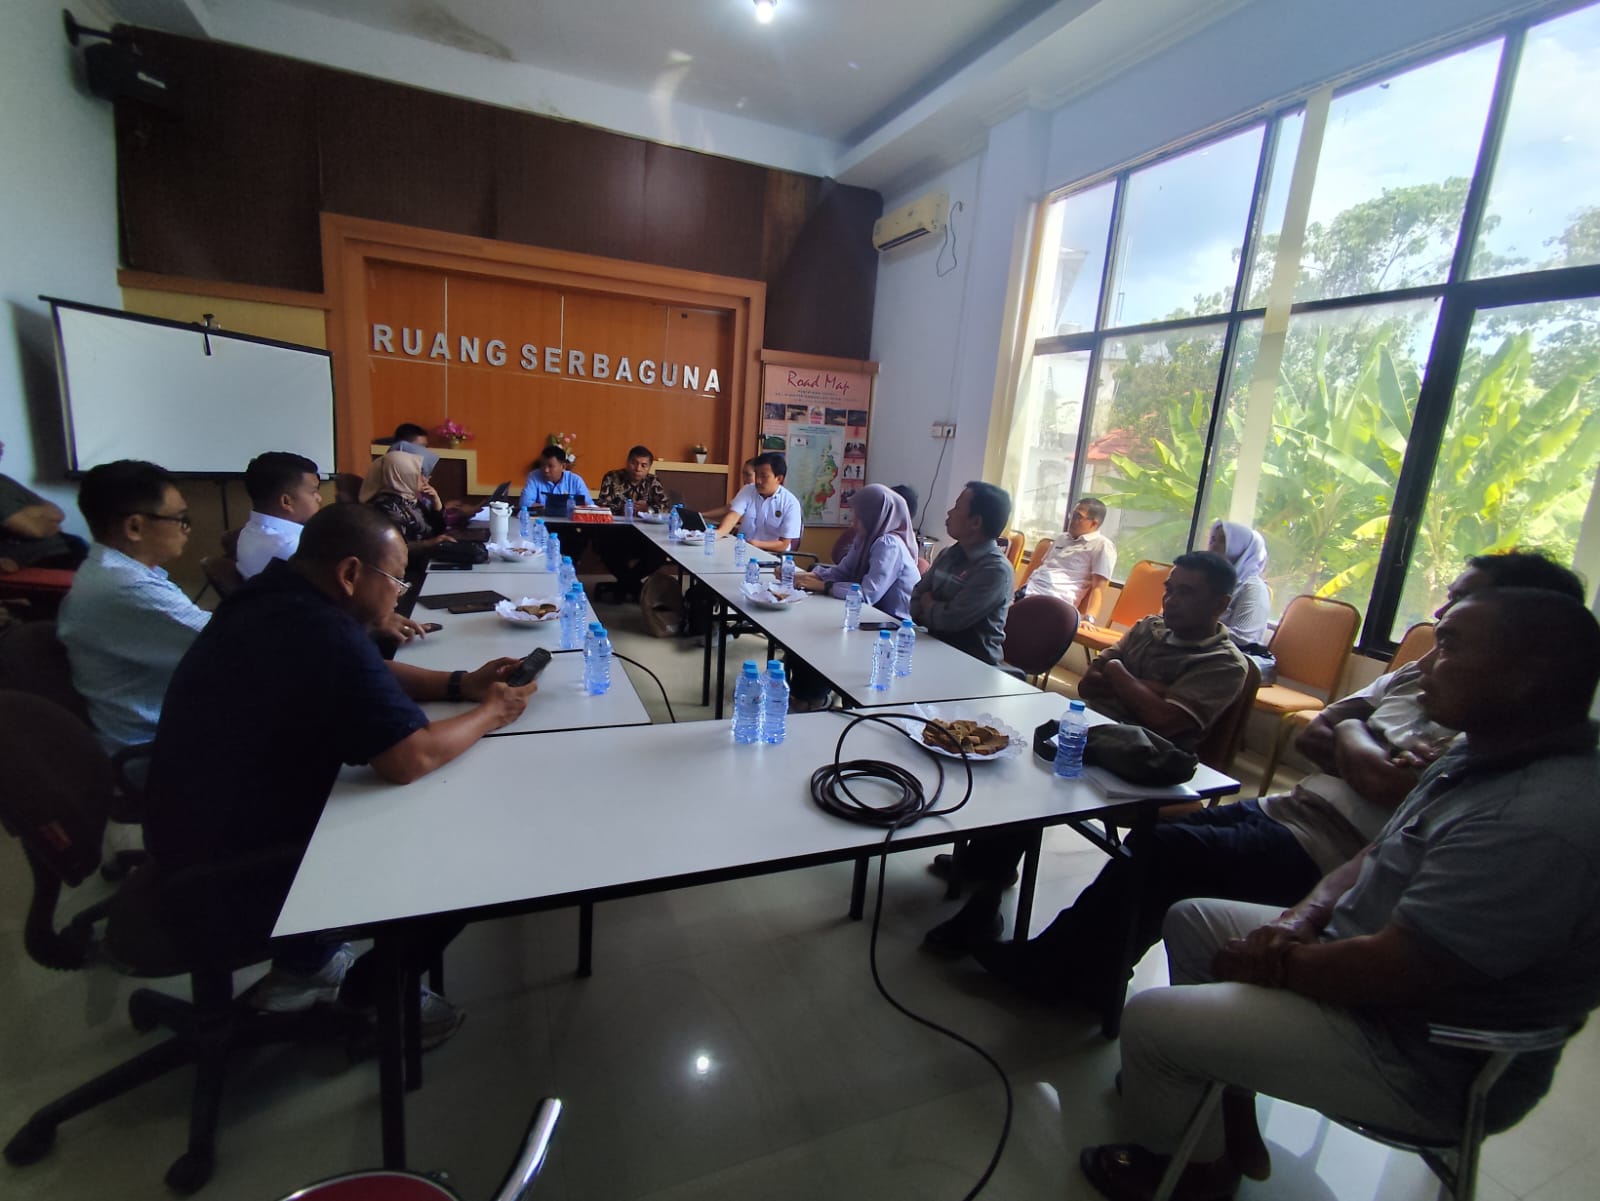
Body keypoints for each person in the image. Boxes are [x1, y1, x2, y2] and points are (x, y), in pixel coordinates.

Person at [1082, 586, 1600, 1201]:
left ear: (1526, 674)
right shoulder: (1478, 754)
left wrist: (1280, 965)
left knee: (1152, 1021)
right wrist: (1298, 921)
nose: (1427, 665)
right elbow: (1371, 857)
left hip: (1417, 1053)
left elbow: (1402, 972)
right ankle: (1222, 1112)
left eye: (1450, 646)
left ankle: (1192, 1178)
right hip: (1363, 962)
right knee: (1194, 919)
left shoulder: (1534, 820)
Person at [970, 550, 1584, 1009]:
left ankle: (1065, 977)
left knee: (1167, 850)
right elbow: (1317, 735)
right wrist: (1360, 739)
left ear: (1517, 627)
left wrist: (1353, 740)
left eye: (1460, 611)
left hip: (1329, 843)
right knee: (1131, 829)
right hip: (1292, 806)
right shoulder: (1417, 676)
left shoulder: (1493, 732)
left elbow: (1380, 786)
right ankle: (1078, 965)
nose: (1441, 617)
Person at [143, 504, 538, 1041]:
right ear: (351, 573)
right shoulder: (320, 630)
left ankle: (306, 965)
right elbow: (410, 759)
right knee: (467, 854)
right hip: (228, 875)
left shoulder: (277, 597)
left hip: (194, 831)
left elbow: (367, 669)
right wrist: (493, 712)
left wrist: (457, 684)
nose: (399, 594)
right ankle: (369, 998)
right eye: (396, 580)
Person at [924, 551, 1248, 956]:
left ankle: (984, 908)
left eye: (1188, 593)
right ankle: (989, 864)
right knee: (1011, 758)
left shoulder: (1225, 662)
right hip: (1091, 738)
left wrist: (1118, 673)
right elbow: (1088, 685)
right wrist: (1144, 687)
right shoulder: (1149, 627)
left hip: (1143, 763)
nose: (1171, 600)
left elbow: (1163, 721)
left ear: (1220, 604)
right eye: (1170, 589)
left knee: (1036, 783)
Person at [57, 460, 210, 756]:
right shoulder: (126, 586)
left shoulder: (115, 571)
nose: (187, 529)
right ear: (135, 526)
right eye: (180, 519)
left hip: (174, 726)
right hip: (154, 751)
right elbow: (230, 641)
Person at [907, 482, 1016, 666]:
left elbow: (950, 621)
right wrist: (933, 609)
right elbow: (917, 597)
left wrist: (930, 604)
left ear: (976, 522)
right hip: (932, 648)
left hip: (973, 664)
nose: (949, 512)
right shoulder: (948, 554)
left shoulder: (995, 571)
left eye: (957, 507)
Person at [794, 483, 919, 619]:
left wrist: (825, 586)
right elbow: (841, 573)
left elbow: (866, 595)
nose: (853, 523)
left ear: (874, 517)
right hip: (869, 616)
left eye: (859, 517)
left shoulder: (889, 545)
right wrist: (801, 576)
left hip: (895, 623)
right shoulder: (864, 539)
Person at [1018, 497, 1115, 620]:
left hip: (1055, 600)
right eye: (1072, 515)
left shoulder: (1102, 545)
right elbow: (1044, 568)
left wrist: (1090, 618)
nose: (1072, 521)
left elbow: (1098, 588)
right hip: (1028, 591)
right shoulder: (1061, 538)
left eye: (1078, 517)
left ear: (1094, 523)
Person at [0, 438, 87, 571]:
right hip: (49, 559)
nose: (2, 444)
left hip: (67, 547)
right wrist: (44, 520)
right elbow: (36, 530)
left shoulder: (3, 480)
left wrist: (25, 515)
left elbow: (57, 513)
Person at [236, 451, 323, 579]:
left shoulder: (250, 531)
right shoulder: (293, 549)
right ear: (286, 502)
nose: (319, 498)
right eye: (313, 492)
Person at [363, 452, 454, 561]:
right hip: (410, 566)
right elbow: (395, 549)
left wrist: (436, 502)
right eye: (418, 473)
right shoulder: (385, 506)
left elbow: (439, 530)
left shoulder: (410, 499)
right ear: (401, 476)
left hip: (427, 558)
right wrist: (430, 543)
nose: (424, 479)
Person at [714, 451, 802, 553]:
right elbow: (733, 515)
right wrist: (717, 534)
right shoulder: (748, 490)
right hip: (742, 550)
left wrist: (755, 544)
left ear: (779, 478)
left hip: (772, 555)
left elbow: (783, 544)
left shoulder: (790, 503)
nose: (758, 481)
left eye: (764, 476)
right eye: (757, 475)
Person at [1207, 519, 1271, 646]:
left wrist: (1194, 629)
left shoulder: (1253, 588)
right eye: (1212, 540)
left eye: (1222, 541)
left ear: (1241, 548)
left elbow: (1242, 639)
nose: (1213, 546)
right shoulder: (1212, 580)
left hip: (1231, 654)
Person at [597, 444, 669, 515]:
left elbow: (665, 508)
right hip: (617, 521)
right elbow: (601, 506)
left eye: (643, 465)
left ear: (649, 467)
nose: (638, 469)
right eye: (634, 463)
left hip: (644, 522)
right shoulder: (611, 477)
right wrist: (621, 509)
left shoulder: (653, 481)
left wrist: (648, 509)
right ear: (627, 462)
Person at [517, 445, 593, 511]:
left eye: (550, 466)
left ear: (563, 467)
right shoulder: (534, 476)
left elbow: (589, 506)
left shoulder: (575, 481)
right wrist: (554, 510)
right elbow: (524, 503)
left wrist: (546, 508)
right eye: (543, 465)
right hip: (541, 521)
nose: (546, 470)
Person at [703, 458, 758, 523]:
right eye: (743, 474)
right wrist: (701, 515)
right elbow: (729, 509)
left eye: (748, 475)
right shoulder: (746, 490)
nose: (744, 478)